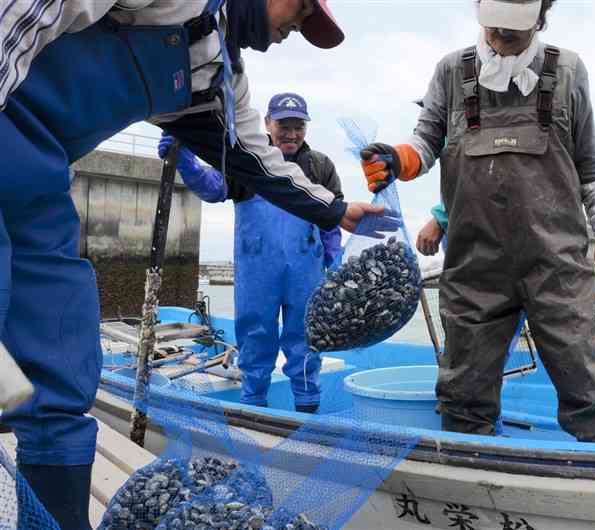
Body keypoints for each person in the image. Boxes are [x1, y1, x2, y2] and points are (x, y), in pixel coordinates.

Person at [0, 2, 382, 528]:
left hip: (39, 179)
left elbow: (253, 159)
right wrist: (182, 163)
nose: (297, 27)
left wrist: (338, 211)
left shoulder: (218, 77)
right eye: (301, 8)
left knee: (60, 359)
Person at [360, 0, 595, 442]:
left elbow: (591, 164)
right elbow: (425, 140)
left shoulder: (568, 71)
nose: (500, 39)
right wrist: (398, 159)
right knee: (464, 392)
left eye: (513, 31)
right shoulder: (452, 71)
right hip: (475, 268)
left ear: (540, 18)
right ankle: (471, 482)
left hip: (557, 265)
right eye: (492, 29)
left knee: (587, 382)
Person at [159, 92, 342, 413]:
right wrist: (186, 163)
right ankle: (253, 408)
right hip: (258, 271)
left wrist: (333, 255)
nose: (292, 133)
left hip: (307, 272)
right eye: (284, 125)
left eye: (299, 126)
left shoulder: (320, 165)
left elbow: (333, 214)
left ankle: (308, 409)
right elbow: (213, 187)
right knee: (256, 339)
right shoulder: (248, 161)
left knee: (307, 342)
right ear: (267, 124)